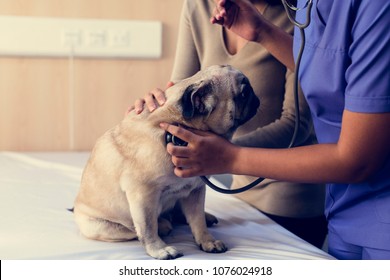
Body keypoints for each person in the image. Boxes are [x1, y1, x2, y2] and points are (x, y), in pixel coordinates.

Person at [158, 0, 390, 260]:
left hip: (376, 219)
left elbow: (357, 159)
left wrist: (228, 157)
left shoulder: (374, 8)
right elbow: (328, 72)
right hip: (343, 211)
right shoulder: (307, 6)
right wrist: (159, 108)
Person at [134, 0, 327, 249]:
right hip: (237, 194)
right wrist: (153, 110)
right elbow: (182, 96)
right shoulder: (198, 7)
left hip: (288, 200)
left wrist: (221, 154)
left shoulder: (299, 15)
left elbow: (296, 125)